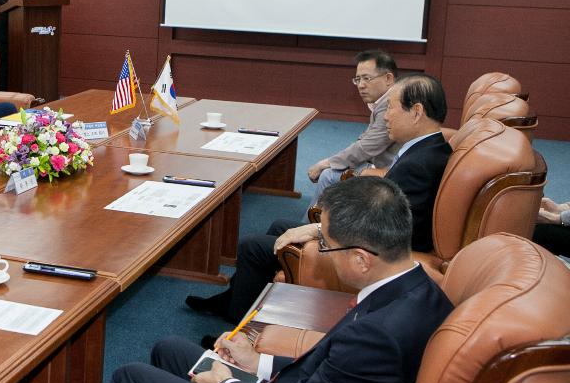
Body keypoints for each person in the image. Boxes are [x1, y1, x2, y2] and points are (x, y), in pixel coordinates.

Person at [93, 176, 454, 383]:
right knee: (169, 350)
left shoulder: (381, 335)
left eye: (326, 245)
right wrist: (259, 362)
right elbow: (332, 373)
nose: (324, 253)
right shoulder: (416, 289)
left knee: (130, 381)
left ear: (362, 258)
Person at [189, 73, 451, 323]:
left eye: (392, 108)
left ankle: (235, 322)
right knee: (280, 227)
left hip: (378, 249)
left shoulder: (421, 164)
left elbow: (398, 229)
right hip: (376, 235)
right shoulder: (428, 149)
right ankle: (235, 300)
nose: (386, 117)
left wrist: (320, 230)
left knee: (252, 246)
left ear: (416, 112)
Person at [303, 50, 399, 209]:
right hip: (379, 162)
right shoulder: (383, 101)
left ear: (388, 78)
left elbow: (367, 147)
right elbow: (367, 139)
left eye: (367, 78)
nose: (361, 85)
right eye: (358, 79)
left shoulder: (390, 104)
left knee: (328, 175)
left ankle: (309, 228)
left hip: (387, 170)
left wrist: (326, 163)